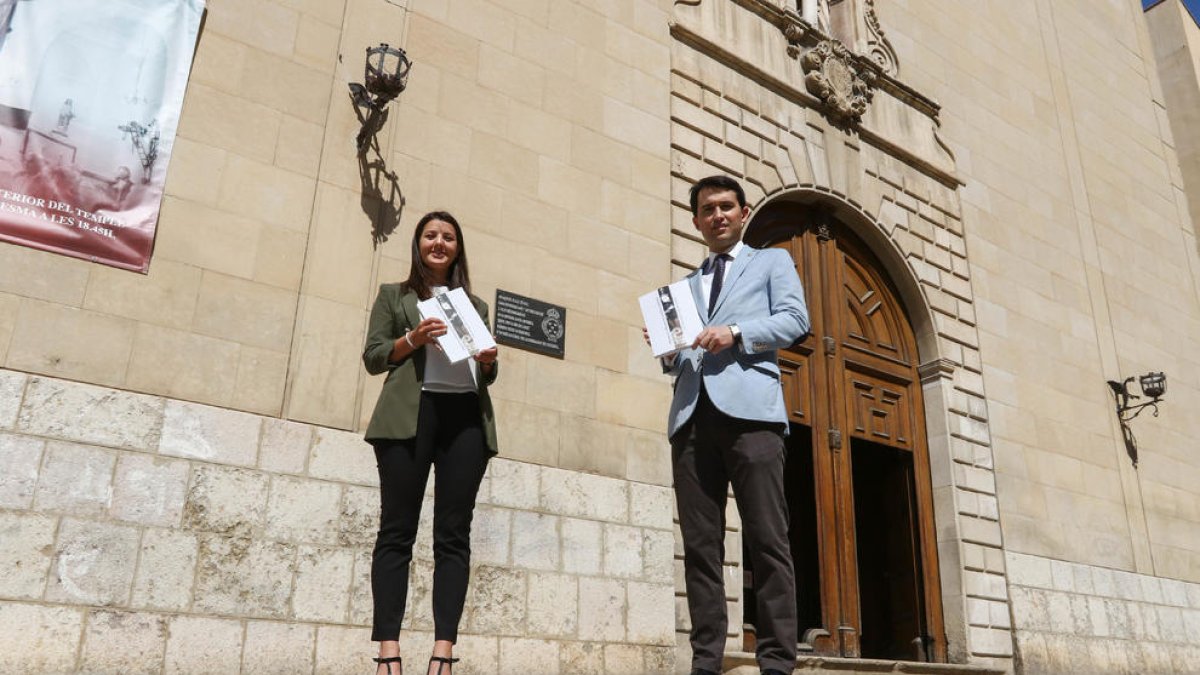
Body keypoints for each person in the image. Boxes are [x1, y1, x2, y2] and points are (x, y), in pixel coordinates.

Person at [654, 175, 810, 675]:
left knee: (768, 539)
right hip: (691, 418)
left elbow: (794, 320)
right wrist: (666, 346)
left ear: (743, 213)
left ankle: (777, 663)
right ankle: (706, 661)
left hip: (752, 417)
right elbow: (676, 362)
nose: (717, 215)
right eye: (707, 209)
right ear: (696, 221)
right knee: (701, 549)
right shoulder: (680, 288)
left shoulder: (771, 262)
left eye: (726, 206)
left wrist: (736, 332)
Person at [362, 211, 500, 675]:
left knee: (453, 537)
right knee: (397, 532)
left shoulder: (475, 305)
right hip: (409, 416)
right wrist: (413, 338)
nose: (438, 243)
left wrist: (488, 359)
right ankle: (388, 653)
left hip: (465, 419)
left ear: (458, 248)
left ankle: (443, 654)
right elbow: (374, 358)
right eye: (430, 236)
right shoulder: (393, 296)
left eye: (448, 237)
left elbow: (488, 374)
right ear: (418, 244)